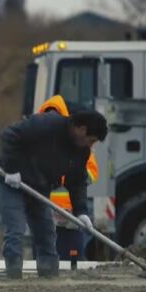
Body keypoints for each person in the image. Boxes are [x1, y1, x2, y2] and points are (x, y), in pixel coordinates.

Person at [0, 110, 107, 279]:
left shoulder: (80, 151)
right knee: (15, 228)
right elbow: (9, 135)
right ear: (82, 129)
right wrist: (11, 169)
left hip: (39, 186)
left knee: (46, 231)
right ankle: (13, 274)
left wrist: (81, 211)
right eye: (91, 140)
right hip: (11, 182)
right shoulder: (47, 124)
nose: (90, 145)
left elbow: (76, 181)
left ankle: (49, 275)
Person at [37, 96, 100, 260]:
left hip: (71, 216)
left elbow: (91, 172)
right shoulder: (35, 141)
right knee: (43, 262)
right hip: (43, 214)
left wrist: (63, 176)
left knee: (72, 262)